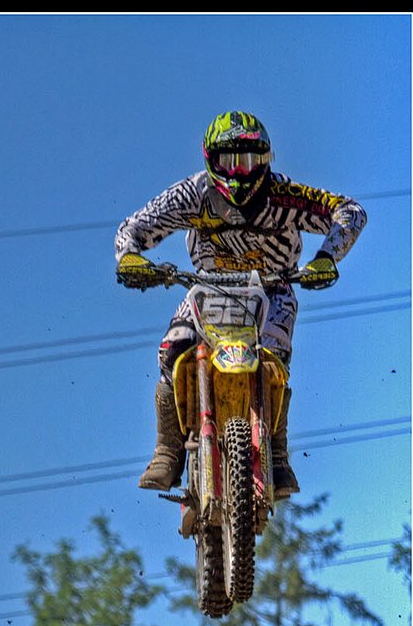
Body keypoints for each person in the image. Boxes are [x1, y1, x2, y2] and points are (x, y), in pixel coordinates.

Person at [115, 110, 367, 498]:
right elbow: (134, 226)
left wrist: (326, 257)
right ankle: (167, 450)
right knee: (171, 350)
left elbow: (349, 211)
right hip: (207, 287)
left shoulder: (286, 196)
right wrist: (130, 258)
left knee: (273, 358)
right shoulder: (193, 194)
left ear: (265, 160)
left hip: (272, 290)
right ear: (210, 160)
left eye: (249, 161)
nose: (239, 172)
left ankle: (277, 455)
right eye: (229, 161)